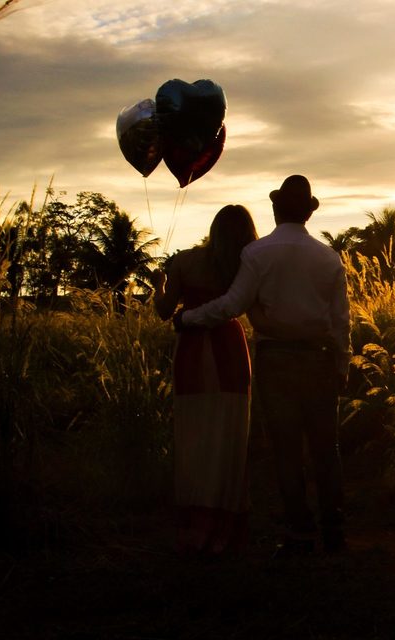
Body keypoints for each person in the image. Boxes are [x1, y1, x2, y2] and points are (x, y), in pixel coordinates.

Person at [178, 175, 352, 555]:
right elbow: (340, 321)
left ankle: (299, 533)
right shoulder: (328, 257)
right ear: (308, 213)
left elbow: (231, 305)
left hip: (276, 360)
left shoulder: (256, 255)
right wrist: (342, 364)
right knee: (326, 448)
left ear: (275, 209)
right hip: (319, 359)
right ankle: (334, 531)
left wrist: (187, 319)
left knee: (286, 448)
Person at [152, 204, 258, 555]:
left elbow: (165, 311)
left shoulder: (184, 260)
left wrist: (159, 284)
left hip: (193, 351)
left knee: (194, 433)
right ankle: (226, 522)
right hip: (229, 349)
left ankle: (194, 522)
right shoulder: (246, 265)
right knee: (229, 434)